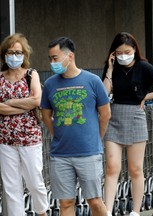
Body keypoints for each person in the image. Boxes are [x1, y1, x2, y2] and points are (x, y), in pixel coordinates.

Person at [102, 32, 153, 216]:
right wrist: (109, 70)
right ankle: (107, 211)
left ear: (134, 49)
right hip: (114, 115)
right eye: (118, 53)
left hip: (136, 115)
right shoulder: (112, 67)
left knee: (135, 169)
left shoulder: (143, 66)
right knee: (112, 167)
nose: (123, 56)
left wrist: (147, 97)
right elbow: (104, 93)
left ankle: (135, 211)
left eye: (127, 51)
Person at [40, 37, 111, 216]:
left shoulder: (93, 81)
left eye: (55, 58)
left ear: (69, 56)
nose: (52, 62)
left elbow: (105, 114)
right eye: (50, 58)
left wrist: (96, 137)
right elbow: (46, 115)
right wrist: (56, 133)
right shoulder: (49, 84)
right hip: (60, 154)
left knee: (95, 201)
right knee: (66, 202)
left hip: (89, 152)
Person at [0, 33, 48, 215]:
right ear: (4, 54)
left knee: (35, 182)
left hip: (29, 138)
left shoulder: (31, 74)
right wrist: (23, 105)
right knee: (12, 187)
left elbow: (36, 100)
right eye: (10, 52)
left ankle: (42, 212)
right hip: (5, 140)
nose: (14, 56)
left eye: (18, 52)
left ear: (24, 54)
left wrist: (10, 103)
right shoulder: (0, 77)